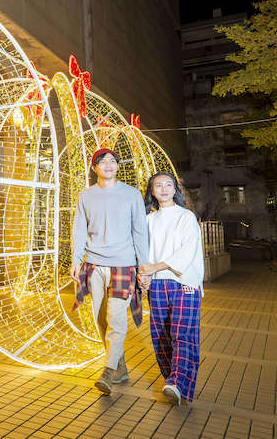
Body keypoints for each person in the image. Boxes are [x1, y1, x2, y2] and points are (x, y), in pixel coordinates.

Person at [70, 148, 149, 395]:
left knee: (115, 318)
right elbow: (79, 229)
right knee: (100, 319)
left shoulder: (132, 194)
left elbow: (140, 232)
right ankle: (121, 368)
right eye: (103, 161)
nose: (108, 164)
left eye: (113, 161)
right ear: (95, 168)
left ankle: (107, 370)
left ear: (117, 166)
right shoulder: (86, 195)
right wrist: (76, 259)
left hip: (123, 264)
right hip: (94, 264)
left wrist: (143, 266)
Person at [137, 172, 204, 406]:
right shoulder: (148, 220)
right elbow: (142, 254)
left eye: (168, 185)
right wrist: (143, 275)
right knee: (161, 337)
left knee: (182, 335)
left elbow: (187, 251)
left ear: (175, 189)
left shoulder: (186, 217)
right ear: (152, 191)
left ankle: (176, 382)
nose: (164, 189)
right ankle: (173, 383)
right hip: (157, 284)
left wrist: (154, 266)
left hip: (184, 282)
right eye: (158, 185)